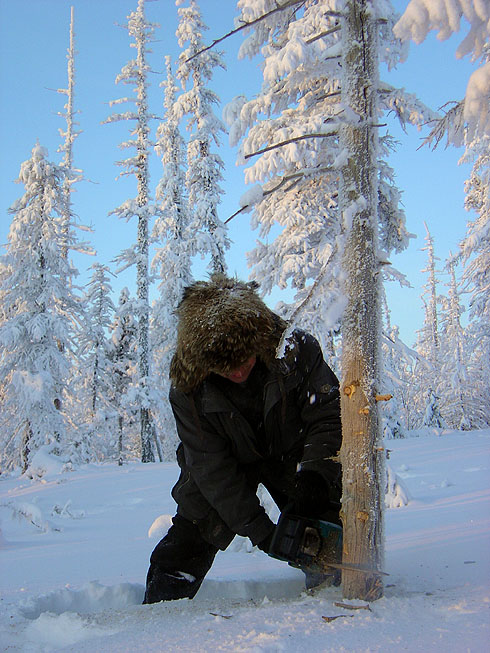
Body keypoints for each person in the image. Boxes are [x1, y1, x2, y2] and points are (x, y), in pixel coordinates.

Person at [143, 274, 342, 604]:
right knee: (194, 527)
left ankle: (332, 596)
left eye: (243, 360)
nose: (237, 372)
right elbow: (210, 466)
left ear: (259, 340)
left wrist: (316, 473)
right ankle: (161, 606)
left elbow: (327, 415)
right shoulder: (188, 389)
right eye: (224, 367)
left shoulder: (296, 352)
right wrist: (262, 532)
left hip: (293, 454)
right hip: (225, 463)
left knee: (324, 520)